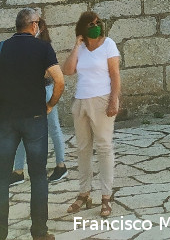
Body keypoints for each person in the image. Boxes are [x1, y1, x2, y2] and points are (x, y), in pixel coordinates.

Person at [0, 7, 64, 240]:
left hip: (6, 119)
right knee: (38, 177)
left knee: (2, 178)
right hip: (35, 118)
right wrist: (50, 105)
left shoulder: (2, 47)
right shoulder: (42, 47)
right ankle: (39, 232)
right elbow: (59, 81)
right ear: (34, 25)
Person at [63, 11, 120, 219]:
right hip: (81, 101)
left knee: (104, 147)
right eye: (91, 24)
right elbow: (68, 70)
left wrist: (114, 100)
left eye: (98, 22)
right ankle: (84, 193)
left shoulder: (108, 44)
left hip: (102, 100)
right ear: (83, 28)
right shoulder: (82, 48)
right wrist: (77, 45)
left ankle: (106, 196)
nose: (95, 25)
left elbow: (115, 74)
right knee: (83, 149)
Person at [10, 17, 67, 187]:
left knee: (54, 128)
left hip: (45, 91)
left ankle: (61, 165)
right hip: (27, 93)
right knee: (21, 131)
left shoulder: (44, 47)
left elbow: (52, 74)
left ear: (39, 29)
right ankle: (18, 171)